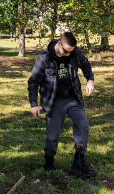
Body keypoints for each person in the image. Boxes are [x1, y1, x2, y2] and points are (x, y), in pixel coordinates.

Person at [27, 32, 98, 178]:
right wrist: (34, 104)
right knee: (52, 135)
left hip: (73, 98)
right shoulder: (44, 58)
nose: (68, 54)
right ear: (59, 43)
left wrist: (90, 80)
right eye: (66, 51)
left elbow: (86, 65)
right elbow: (33, 82)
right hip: (54, 101)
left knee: (83, 124)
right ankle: (49, 163)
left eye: (70, 51)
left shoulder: (75, 52)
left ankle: (78, 162)